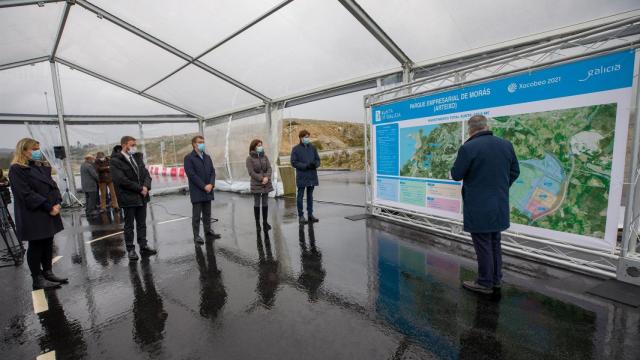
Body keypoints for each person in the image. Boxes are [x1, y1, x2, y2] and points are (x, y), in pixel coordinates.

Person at [450, 115, 520, 294]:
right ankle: (496, 279)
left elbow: (457, 174)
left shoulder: (468, 147)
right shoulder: (506, 145)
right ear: (486, 126)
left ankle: (484, 282)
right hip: (499, 204)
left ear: (470, 129)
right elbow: (515, 171)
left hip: (479, 205)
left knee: (483, 244)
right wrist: (501, 188)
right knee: (495, 242)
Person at [9, 138, 68, 290]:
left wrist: (57, 202)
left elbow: (53, 186)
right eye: (34, 149)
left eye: (38, 149)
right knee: (36, 245)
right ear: (24, 150)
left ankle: (48, 272)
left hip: (48, 210)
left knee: (48, 242)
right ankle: (37, 278)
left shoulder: (39, 167)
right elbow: (26, 194)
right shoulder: (16, 169)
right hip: (34, 213)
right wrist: (48, 206)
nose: (37, 152)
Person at [110, 136, 157, 260]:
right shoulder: (115, 161)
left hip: (142, 197)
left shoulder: (137, 157)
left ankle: (143, 246)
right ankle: (130, 249)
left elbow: (146, 174)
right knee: (129, 225)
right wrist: (139, 188)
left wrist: (146, 186)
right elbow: (121, 180)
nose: (134, 147)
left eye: (135, 145)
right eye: (132, 145)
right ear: (125, 145)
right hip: (128, 197)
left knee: (142, 224)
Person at [184, 135, 220, 244]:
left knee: (207, 213)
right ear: (194, 144)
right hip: (198, 191)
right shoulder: (189, 158)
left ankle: (208, 231)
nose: (202, 144)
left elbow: (212, 172)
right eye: (200, 142)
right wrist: (204, 186)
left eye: (203, 142)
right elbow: (191, 175)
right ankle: (196, 235)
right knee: (196, 215)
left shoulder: (207, 157)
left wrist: (211, 184)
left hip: (208, 189)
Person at [290, 129, 320, 225]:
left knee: (310, 196)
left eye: (308, 137)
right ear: (300, 138)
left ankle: (310, 214)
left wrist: (315, 164)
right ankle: (301, 216)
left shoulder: (313, 148)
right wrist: (305, 166)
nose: (307, 138)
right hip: (302, 176)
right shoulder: (296, 149)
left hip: (312, 175)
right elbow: (293, 162)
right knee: (300, 196)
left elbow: (318, 160)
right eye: (305, 137)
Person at [246, 139, 274, 232]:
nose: (260, 147)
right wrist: (261, 178)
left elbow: (269, 168)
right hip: (257, 183)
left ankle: (265, 222)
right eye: (258, 145)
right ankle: (258, 223)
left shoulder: (265, 156)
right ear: (254, 147)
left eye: (261, 145)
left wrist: (266, 178)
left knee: (265, 203)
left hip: (266, 183)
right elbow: (251, 172)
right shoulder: (249, 158)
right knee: (257, 203)